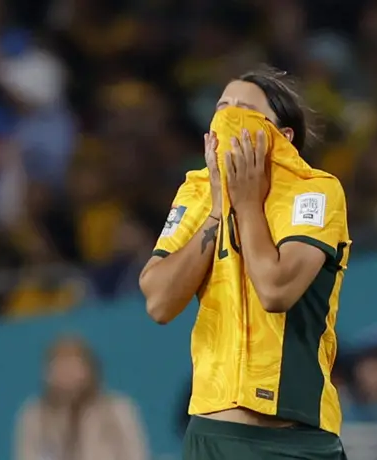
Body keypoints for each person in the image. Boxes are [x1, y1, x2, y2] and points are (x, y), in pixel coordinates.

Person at [139, 67, 351, 460]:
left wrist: (248, 204)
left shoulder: (315, 192)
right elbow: (159, 301)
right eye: (222, 108)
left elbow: (275, 290)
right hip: (211, 434)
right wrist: (219, 211)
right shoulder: (197, 192)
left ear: (283, 135)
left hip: (295, 439)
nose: (228, 117)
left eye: (245, 110)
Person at [14, 336, 148, 460]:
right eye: (59, 365)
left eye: (72, 364)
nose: (66, 372)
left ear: (88, 369)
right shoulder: (34, 416)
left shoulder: (117, 409)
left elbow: (136, 454)